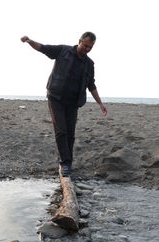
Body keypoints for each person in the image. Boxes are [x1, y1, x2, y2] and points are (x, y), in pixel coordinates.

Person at [21, 32, 107, 176]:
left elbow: (91, 85)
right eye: (85, 45)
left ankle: (68, 161)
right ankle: (65, 162)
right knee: (61, 131)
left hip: (73, 102)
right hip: (56, 98)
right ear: (79, 41)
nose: (87, 49)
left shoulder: (89, 64)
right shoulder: (63, 51)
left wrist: (100, 103)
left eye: (90, 47)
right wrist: (29, 41)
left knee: (70, 134)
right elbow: (44, 48)